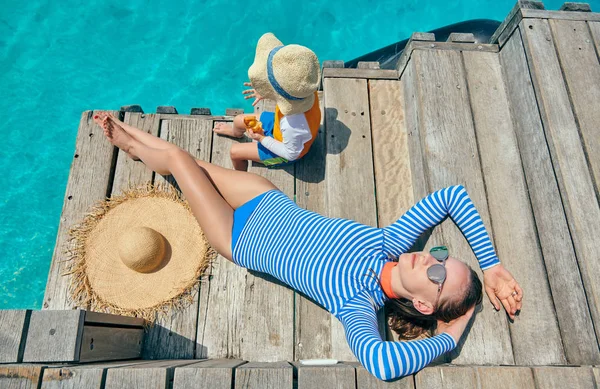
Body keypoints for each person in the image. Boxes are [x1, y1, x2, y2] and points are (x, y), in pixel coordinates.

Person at [94, 112, 523, 381]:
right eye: (442, 256)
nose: (432, 258)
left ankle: (130, 143)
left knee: (182, 162)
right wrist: (491, 266)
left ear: (424, 305)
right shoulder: (390, 242)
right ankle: (139, 149)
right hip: (263, 200)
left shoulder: (358, 304)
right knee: (192, 168)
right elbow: (452, 196)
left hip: (236, 236)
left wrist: (450, 338)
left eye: (436, 275)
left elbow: (382, 365)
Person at [213, 33, 321, 171]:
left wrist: (262, 139)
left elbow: (291, 153)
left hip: (286, 150)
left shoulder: (292, 124)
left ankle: (240, 178)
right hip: (279, 127)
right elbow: (287, 93)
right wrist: (267, 92)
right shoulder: (305, 89)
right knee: (239, 120)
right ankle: (236, 133)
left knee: (235, 152)